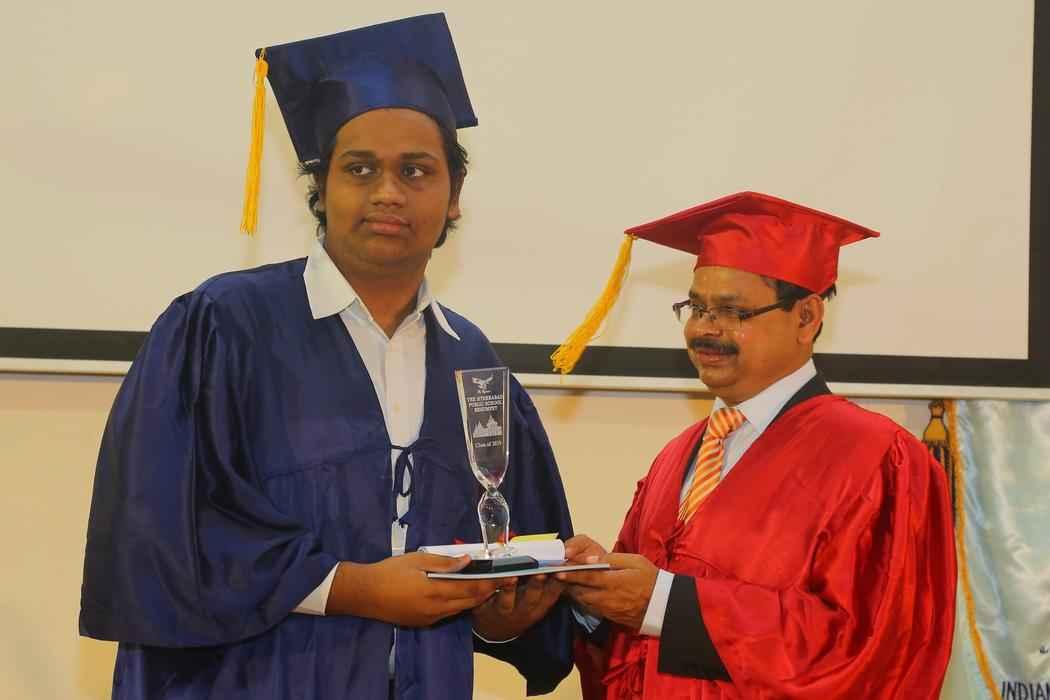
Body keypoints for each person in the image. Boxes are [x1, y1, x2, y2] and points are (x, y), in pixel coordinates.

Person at [79, 14, 573, 699]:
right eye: (359, 169)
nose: (388, 192)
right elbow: (162, 529)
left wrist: (505, 613)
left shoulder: (475, 363)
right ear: (321, 187)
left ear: (454, 197)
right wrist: (355, 588)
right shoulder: (223, 326)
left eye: (416, 170)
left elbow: (502, 558)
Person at [555, 191, 957, 698]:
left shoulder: (880, 460)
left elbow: (875, 651)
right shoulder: (677, 456)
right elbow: (633, 658)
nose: (704, 329)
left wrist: (665, 604)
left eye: (731, 312)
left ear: (807, 318)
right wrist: (597, 597)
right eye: (696, 307)